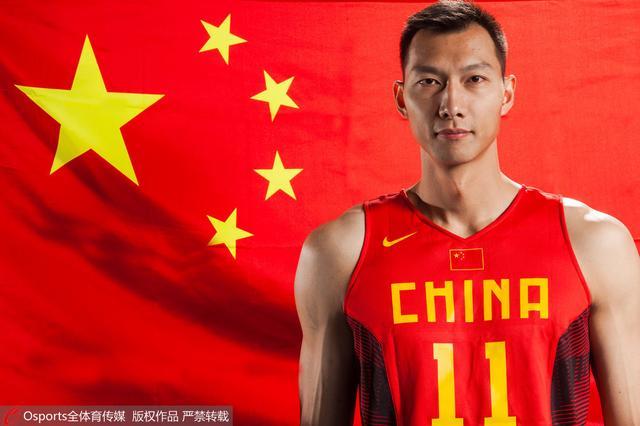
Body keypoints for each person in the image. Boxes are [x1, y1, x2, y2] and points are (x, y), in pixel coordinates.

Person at [294, 0, 640, 425]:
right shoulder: (340, 252)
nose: (451, 104)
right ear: (401, 98)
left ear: (506, 93)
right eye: (429, 82)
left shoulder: (595, 244)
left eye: (474, 79)